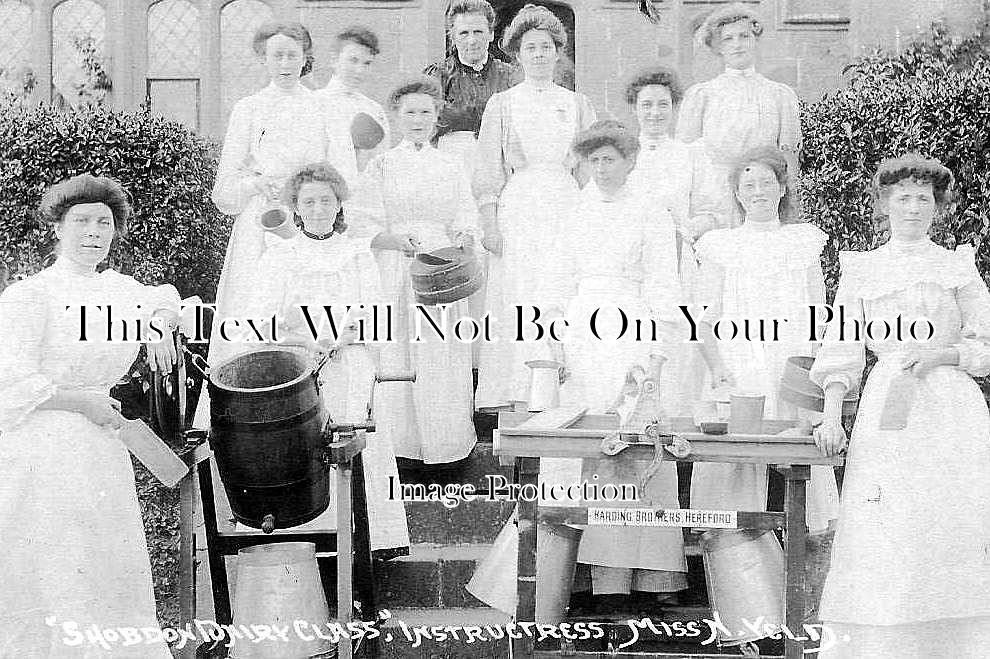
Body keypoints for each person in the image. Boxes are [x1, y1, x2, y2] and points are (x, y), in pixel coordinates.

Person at [811, 154, 990, 658]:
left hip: (951, 408)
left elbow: (985, 341)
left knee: (950, 519)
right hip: (890, 407)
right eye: (903, 198)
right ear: (884, 205)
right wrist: (831, 416)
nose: (913, 207)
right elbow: (842, 347)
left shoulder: (957, 266)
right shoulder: (863, 269)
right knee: (888, 519)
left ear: (938, 207)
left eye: (924, 199)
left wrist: (942, 355)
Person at [0, 175, 179, 657]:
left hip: (99, 446)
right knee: (55, 562)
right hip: (42, 446)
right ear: (58, 228)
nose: (94, 232)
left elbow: (166, 297)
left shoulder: (120, 291)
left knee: (105, 561)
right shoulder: (31, 295)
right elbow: (8, 381)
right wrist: (81, 403)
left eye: (104, 222)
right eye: (81, 221)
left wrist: (159, 324)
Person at [689, 148, 838, 646]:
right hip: (739, 370)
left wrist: (810, 380)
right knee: (733, 488)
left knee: (802, 491)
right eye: (747, 184)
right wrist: (719, 371)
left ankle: (805, 619)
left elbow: (818, 317)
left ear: (782, 187)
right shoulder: (721, 247)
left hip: (790, 371)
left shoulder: (803, 242)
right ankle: (750, 620)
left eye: (766, 182)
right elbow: (703, 320)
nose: (757, 192)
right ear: (736, 192)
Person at [552, 120, 687, 606]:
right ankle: (582, 577)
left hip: (632, 330)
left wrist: (655, 357)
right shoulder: (572, 211)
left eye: (611, 159)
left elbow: (663, 285)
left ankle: (643, 577)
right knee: (583, 447)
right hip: (581, 332)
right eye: (594, 160)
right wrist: (556, 345)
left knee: (635, 445)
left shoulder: (651, 211)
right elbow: (557, 283)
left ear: (630, 161)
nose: (602, 168)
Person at [247, 162, 409, 557]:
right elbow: (259, 321)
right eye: (309, 202)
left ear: (339, 205)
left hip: (350, 362)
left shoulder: (358, 255)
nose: (318, 209)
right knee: (307, 446)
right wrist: (305, 340)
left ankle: (369, 543)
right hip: (299, 369)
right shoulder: (280, 256)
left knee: (356, 441)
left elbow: (378, 317)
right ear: (296, 208)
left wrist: (344, 336)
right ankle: (311, 539)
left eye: (326, 200)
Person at [201, 21, 356, 417]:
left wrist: (311, 192)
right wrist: (255, 183)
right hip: (261, 226)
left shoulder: (325, 107)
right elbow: (224, 192)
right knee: (256, 315)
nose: (285, 63)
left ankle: (319, 416)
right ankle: (248, 420)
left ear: (306, 58)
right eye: (276, 55)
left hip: (313, 222)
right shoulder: (249, 108)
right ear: (264, 59)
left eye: (292, 55)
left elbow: (346, 177)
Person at [472, 3, 596, 410]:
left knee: (561, 291)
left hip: (566, 206)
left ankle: (563, 389)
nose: (539, 54)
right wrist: (490, 226)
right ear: (517, 54)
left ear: (558, 52)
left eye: (546, 47)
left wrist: (592, 220)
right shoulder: (503, 104)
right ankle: (519, 392)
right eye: (530, 47)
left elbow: (588, 171)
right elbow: (488, 170)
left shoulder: (577, 104)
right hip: (520, 209)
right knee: (520, 294)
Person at [360, 78, 479, 465]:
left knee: (439, 352)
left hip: (440, 269)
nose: (417, 120)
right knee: (399, 351)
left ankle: (446, 445)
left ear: (436, 117)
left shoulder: (450, 164)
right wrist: (395, 240)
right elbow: (364, 222)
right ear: (396, 117)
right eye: (409, 112)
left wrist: (464, 234)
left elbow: (465, 212)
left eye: (425, 112)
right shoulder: (382, 165)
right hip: (397, 265)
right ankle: (402, 447)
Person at [625, 64, 728, 416]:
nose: (655, 113)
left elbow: (712, 212)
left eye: (663, 104)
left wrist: (684, 227)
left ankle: (678, 419)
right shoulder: (624, 154)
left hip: (677, 257)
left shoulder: (690, 155)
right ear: (634, 108)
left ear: (674, 107)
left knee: (679, 334)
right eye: (646, 105)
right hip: (635, 262)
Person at [676, 3, 800, 225]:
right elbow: (685, 158)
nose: (737, 44)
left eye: (744, 36)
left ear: (755, 40)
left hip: (762, 196)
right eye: (728, 39)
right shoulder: (702, 95)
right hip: (715, 198)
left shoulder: (779, 95)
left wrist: (788, 209)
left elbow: (789, 158)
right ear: (718, 47)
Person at [423, 0, 520, 149]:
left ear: (491, 34)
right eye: (464, 33)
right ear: (453, 38)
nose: (472, 40)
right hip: (451, 158)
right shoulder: (437, 77)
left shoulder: (510, 76)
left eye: (478, 32)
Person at [317, 26, 391, 173]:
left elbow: (382, 162)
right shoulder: (312, 103)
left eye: (367, 63)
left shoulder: (374, 110)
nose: (359, 70)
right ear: (334, 60)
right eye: (353, 60)